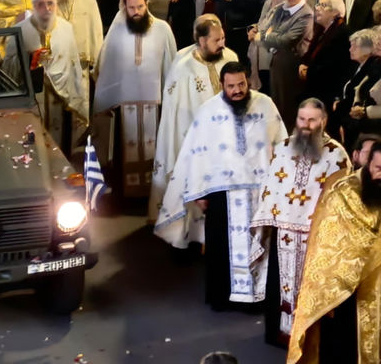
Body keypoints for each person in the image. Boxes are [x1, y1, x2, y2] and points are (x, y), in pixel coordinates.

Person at [155, 61, 287, 310]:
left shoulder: (265, 104)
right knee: (221, 247)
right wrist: (199, 192)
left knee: (260, 243)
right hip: (221, 192)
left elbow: (282, 142)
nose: (237, 90)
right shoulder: (208, 111)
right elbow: (196, 151)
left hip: (259, 191)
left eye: (241, 84)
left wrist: (282, 183)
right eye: (231, 86)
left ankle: (257, 300)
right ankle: (223, 299)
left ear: (248, 81)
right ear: (221, 85)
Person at [250, 98, 351, 347]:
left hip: (317, 237)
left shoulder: (337, 154)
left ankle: (311, 340)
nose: (306, 125)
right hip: (283, 233)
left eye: (312, 120)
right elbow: (270, 189)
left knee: (314, 286)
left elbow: (343, 198)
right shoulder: (283, 148)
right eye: (301, 119)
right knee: (279, 285)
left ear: (323, 121)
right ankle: (281, 335)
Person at [287, 142, 381, 363]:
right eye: (378, 168)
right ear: (368, 164)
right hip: (345, 289)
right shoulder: (344, 193)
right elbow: (332, 245)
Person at [151, 14, 238, 225]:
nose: (222, 44)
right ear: (202, 41)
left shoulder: (230, 58)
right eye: (216, 40)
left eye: (223, 38)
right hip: (197, 141)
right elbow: (175, 113)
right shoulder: (183, 67)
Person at [94, 0, 176, 198]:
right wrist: (107, 95)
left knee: (154, 147)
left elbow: (170, 64)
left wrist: (170, 95)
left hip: (154, 102)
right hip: (124, 102)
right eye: (131, 8)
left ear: (147, 4)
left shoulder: (162, 29)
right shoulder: (117, 30)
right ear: (125, 7)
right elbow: (107, 65)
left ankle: (152, 195)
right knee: (125, 149)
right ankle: (126, 197)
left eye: (140, 6)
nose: (136, 12)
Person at [4, 0, 88, 153]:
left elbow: (74, 63)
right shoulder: (19, 30)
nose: (47, 8)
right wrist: (30, 58)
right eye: (41, 4)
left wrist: (79, 97)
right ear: (34, 6)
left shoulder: (66, 28)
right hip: (33, 99)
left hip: (62, 99)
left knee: (61, 145)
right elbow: (8, 67)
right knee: (35, 148)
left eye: (51, 4)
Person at [253, 0, 314, 130]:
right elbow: (266, 28)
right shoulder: (281, 8)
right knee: (276, 104)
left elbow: (287, 40)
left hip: (291, 66)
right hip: (276, 61)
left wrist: (267, 36)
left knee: (287, 107)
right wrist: (270, 36)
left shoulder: (306, 14)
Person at [54, 0, 103, 103]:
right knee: (57, 105)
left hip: (81, 58)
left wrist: (97, 56)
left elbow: (95, 25)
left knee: (80, 102)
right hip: (57, 60)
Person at [299, 0, 352, 125]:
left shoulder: (342, 33)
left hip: (328, 92)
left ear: (335, 12)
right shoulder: (323, 30)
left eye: (323, 5)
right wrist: (303, 64)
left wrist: (309, 72)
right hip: (315, 88)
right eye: (317, 4)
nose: (317, 8)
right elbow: (310, 54)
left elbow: (333, 65)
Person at [335, 29, 381, 151]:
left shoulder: (374, 68)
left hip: (366, 127)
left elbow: (365, 96)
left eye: (355, 47)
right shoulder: (357, 66)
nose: (350, 50)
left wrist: (360, 112)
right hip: (352, 122)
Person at [246, 0, 286, 94]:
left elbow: (275, 33)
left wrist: (256, 35)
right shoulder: (269, 2)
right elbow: (261, 23)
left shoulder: (284, 9)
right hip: (258, 52)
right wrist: (253, 29)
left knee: (268, 89)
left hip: (270, 57)